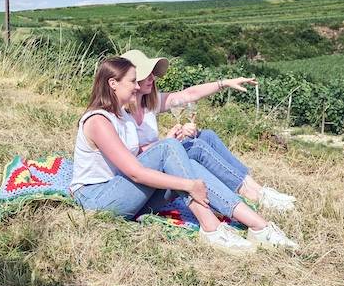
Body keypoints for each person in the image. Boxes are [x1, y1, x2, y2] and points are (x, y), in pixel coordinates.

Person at [71, 57, 298, 253]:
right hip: (97, 199)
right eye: (133, 81)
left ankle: (259, 227)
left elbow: (138, 154)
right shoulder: (98, 120)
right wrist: (187, 184)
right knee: (172, 152)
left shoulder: (123, 116)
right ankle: (211, 228)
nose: (138, 87)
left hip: (124, 190)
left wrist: (179, 163)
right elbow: (136, 172)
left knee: (185, 158)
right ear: (113, 83)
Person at [120, 49, 296, 212]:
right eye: (146, 74)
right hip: (144, 180)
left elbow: (188, 95)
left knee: (207, 136)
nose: (152, 77)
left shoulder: (149, 103)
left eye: (152, 73)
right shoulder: (118, 114)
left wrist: (224, 83)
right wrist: (166, 142)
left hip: (160, 161)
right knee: (196, 146)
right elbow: (130, 157)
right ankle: (252, 195)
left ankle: (258, 189)